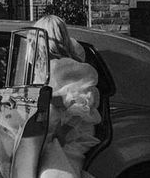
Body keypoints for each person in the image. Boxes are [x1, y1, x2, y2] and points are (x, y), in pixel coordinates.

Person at [33, 15, 102, 178]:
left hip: (70, 133)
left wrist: (63, 133)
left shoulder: (63, 66)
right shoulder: (45, 67)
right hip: (52, 131)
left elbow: (82, 103)